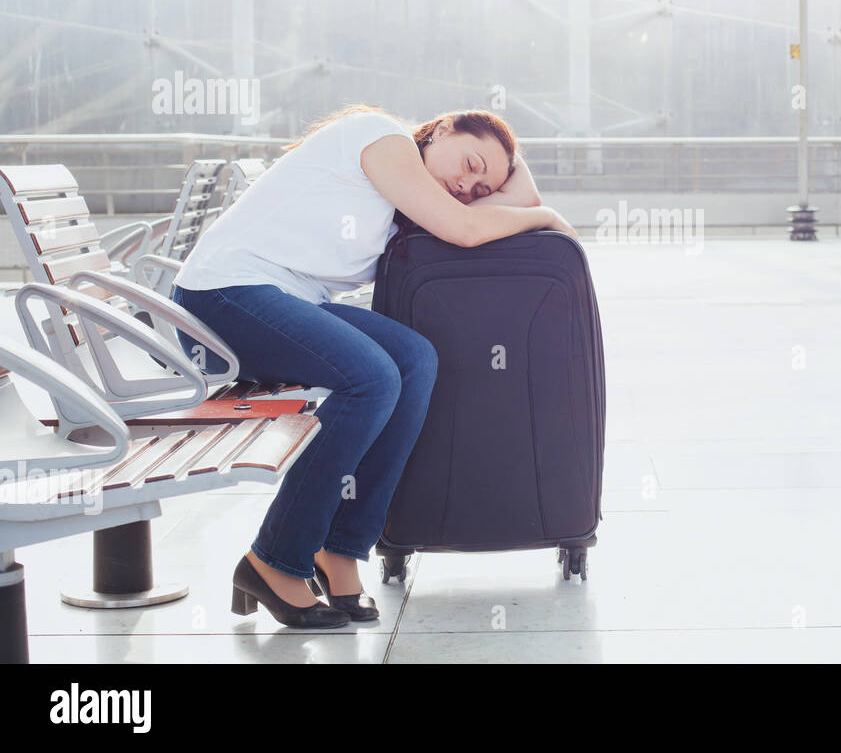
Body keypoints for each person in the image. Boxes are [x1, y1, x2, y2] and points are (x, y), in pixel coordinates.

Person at [170, 104, 578, 628]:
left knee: (414, 360)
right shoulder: (381, 139)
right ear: (446, 126)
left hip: (282, 300)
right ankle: (274, 558)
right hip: (221, 297)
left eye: (481, 188)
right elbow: (468, 228)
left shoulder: (399, 206)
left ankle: (339, 550)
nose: (466, 186)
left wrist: (513, 180)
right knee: (371, 377)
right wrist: (544, 217)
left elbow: (497, 207)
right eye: (471, 165)